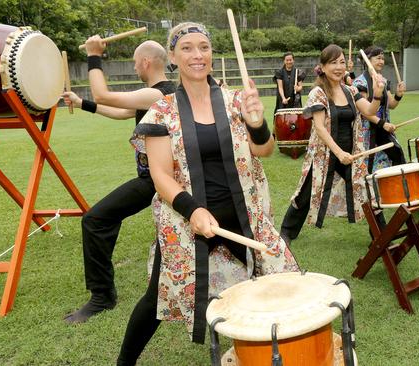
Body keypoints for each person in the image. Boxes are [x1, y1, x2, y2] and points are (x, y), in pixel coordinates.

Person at [120, 22, 299, 365]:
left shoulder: (235, 101)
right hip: (188, 221)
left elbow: (264, 151)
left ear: (212, 55)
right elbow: (159, 174)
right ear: (172, 56)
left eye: (203, 47)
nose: (197, 55)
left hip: (244, 215)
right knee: (157, 297)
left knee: (280, 280)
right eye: (186, 48)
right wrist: (193, 210)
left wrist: (258, 122)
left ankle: (276, 355)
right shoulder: (162, 111)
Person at [61, 39, 176, 324]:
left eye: (137, 62)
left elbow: (103, 95)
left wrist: (93, 55)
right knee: (98, 219)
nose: (135, 67)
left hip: (158, 180)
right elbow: (120, 111)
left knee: (95, 219)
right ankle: (102, 294)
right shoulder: (159, 93)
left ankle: (102, 297)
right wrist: (81, 102)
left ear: (147, 62)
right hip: (157, 178)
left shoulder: (158, 94)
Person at [279, 44, 386, 242]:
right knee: (306, 192)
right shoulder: (318, 93)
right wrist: (338, 153)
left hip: (351, 152)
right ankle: (286, 233)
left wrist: (378, 93)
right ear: (323, 67)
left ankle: (382, 235)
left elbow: (370, 110)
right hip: (324, 153)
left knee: (367, 190)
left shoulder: (350, 90)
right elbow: (319, 127)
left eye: (342, 62)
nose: (339, 67)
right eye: (333, 62)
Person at [353, 46, 406, 173]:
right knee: (370, 166)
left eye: (383, 58)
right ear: (368, 61)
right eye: (378, 58)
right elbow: (365, 112)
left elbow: (391, 105)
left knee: (395, 158)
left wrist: (399, 95)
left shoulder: (383, 81)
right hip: (367, 132)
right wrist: (383, 124)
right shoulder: (360, 83)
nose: (381, 61)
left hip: (383, 130)